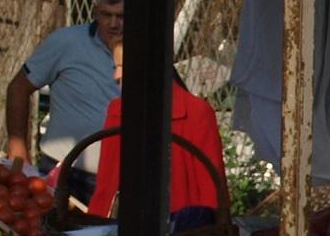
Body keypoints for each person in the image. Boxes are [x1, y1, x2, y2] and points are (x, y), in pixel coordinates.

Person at [81, 44, 226, 226]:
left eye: (124, 67)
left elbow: (212, 184)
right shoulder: (117, 110)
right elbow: (106, 181)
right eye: (115, 67)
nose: (117, 76)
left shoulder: (196, 112)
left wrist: (219, 229)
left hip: (182, 230)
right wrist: (95, 225)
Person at [6, 0, 123, 175]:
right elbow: (18, 88)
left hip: (121, 176)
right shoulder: (67, 42)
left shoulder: (149, 53)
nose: (113, 24)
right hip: (65, 171)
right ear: (95, 12)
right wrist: (18, 149)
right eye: (106, 15)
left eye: (121, 16)